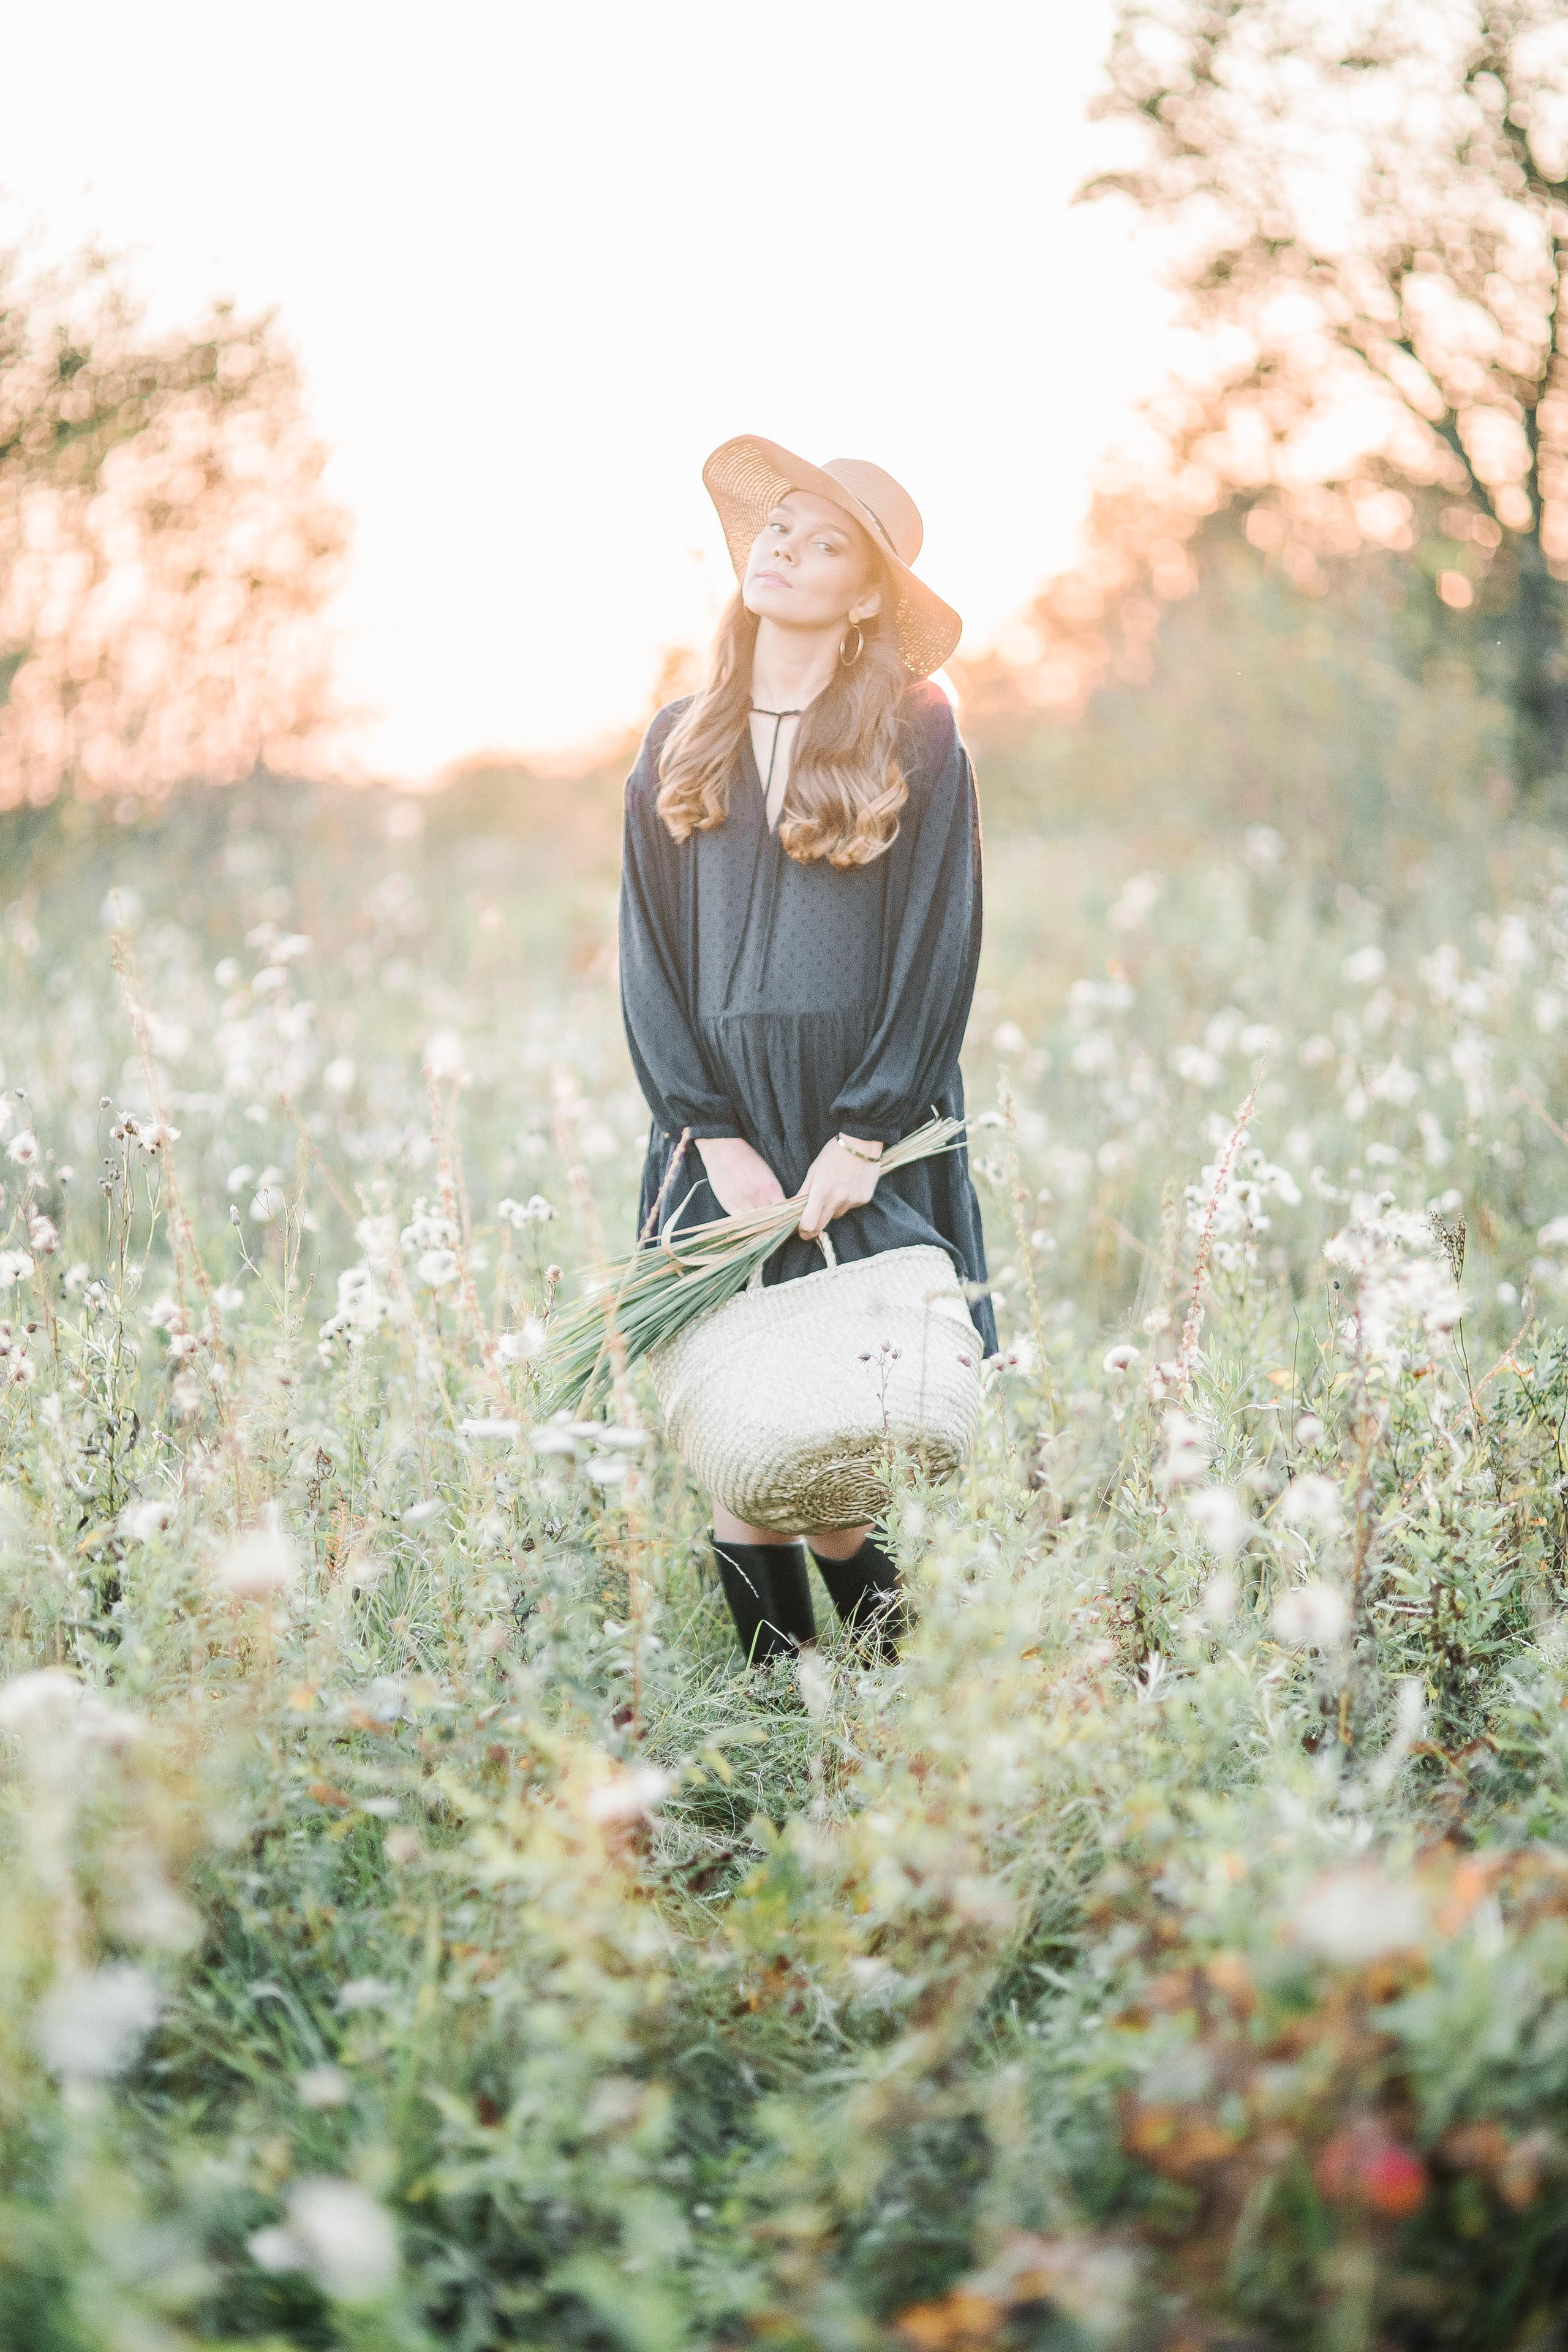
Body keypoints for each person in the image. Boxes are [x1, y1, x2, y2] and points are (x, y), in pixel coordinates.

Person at [619, 434, 996, 1664]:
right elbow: (648, 957)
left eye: (823, 543)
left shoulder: (917, 731)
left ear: (868, 594)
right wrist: (707, 1133)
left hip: (857, 1118)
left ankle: (889, 1690)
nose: (783, 551)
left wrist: (867, 1134)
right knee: (746, 1443)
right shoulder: (679, 736)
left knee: (836, 1465)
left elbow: (938, 944)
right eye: (778, 528)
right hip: (719, 1125)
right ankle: (791, 1712)